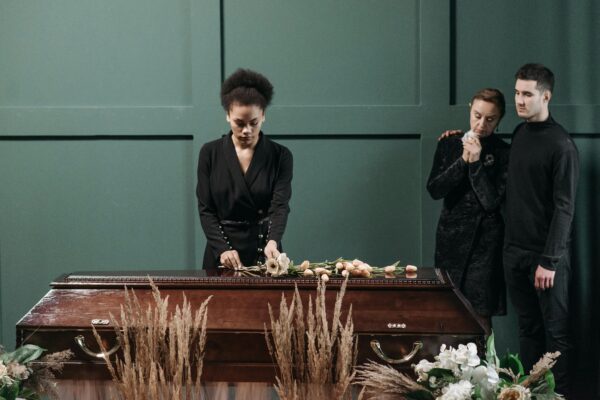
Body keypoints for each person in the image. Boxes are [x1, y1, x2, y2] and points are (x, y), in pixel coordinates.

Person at [504, 63, 578, 396]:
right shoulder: (519, 134)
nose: (519, 100)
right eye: (517, 93)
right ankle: (528, 395)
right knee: (528, 330)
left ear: (546, 96)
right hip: (514, 253)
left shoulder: (561, 145)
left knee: (556, 337)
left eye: (527, 94)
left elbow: (565, 208)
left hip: (547, 259)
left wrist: (549, 261)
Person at [427, 88, 510, 326]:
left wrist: (475, 164)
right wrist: (463, 160)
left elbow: (491, 202)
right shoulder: (449, 143)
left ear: (499, 119)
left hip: (485, 244)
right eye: (477, 115)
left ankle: (483, 353)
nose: (482, 124)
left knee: (480, 314)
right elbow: (435, 190)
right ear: (470, 110)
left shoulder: (505, 152)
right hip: (450, 240)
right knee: (447, 310)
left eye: (490, 119)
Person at [196, 68, 293, 269]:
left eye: (253, 123)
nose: (246, 130)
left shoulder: (280, 155)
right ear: (227, 115)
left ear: (263, 115)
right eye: (239, 123)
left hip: (265, 253)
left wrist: (273, 242)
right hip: (221, 255)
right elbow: (206, 210)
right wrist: (222, 249)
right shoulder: (209, 153)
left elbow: (280, 206)